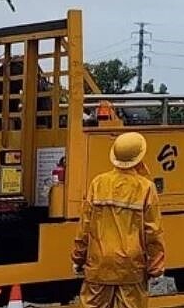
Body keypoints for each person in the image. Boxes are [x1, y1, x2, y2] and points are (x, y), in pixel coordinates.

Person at [73, 132, 166, 308]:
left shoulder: (98, 183)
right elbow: (153, 232)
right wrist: (156, 267)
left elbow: (84, 227)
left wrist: (78, 258)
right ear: (139, 157)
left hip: (98, 265)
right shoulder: (145, 188)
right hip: (131, 267)